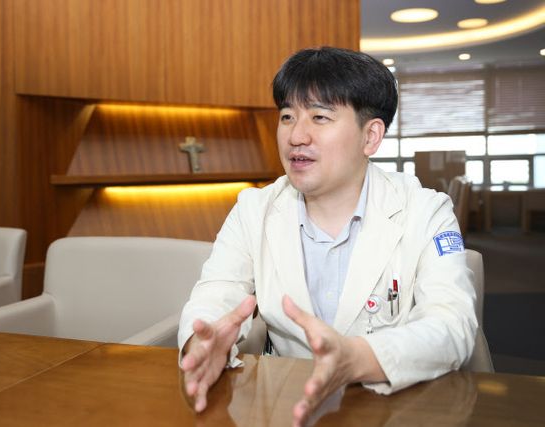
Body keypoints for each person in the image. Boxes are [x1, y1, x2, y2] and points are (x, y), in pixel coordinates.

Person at [178, 46, 477, 425]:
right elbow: (216, 293)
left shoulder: (426, 211)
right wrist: (201, 342)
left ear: (371, 136)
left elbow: (452, 325)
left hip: (391, 410)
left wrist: (358, 358)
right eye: (287, 116)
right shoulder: (254, 208)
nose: (296, 135)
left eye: (319, 117)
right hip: (287, 408)